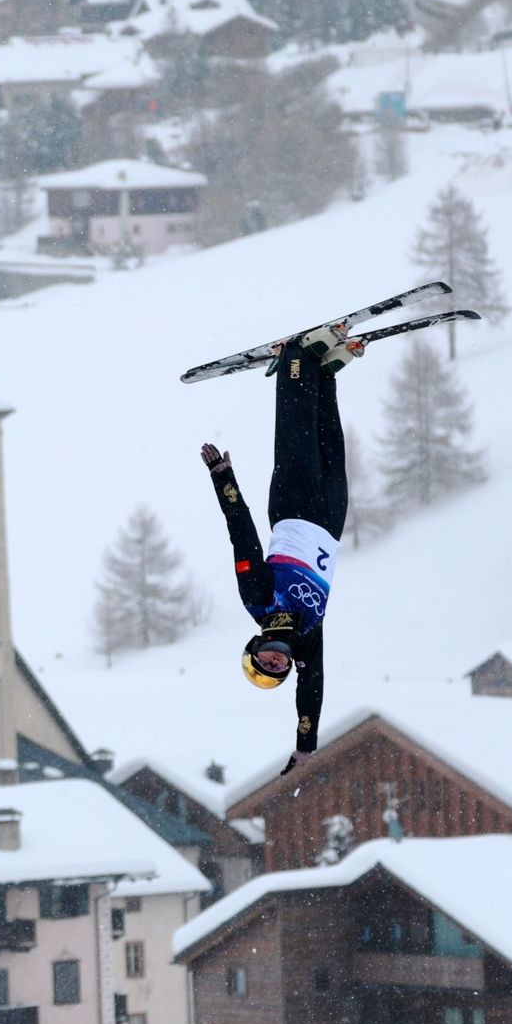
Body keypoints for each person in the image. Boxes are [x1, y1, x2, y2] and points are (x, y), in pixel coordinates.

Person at [200, 329, 359, 776]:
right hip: (330, 520)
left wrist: (223, 479)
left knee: (295, 433)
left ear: (255, 648)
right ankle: (323, 373)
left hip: (292, 508)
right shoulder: (306, 638)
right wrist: (305, 746)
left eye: (265, 662)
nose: (275, 661)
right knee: (329, 441)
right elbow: (312, 690)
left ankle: (294, 359)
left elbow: (242, 536)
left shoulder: (258, 599)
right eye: (278, 669)